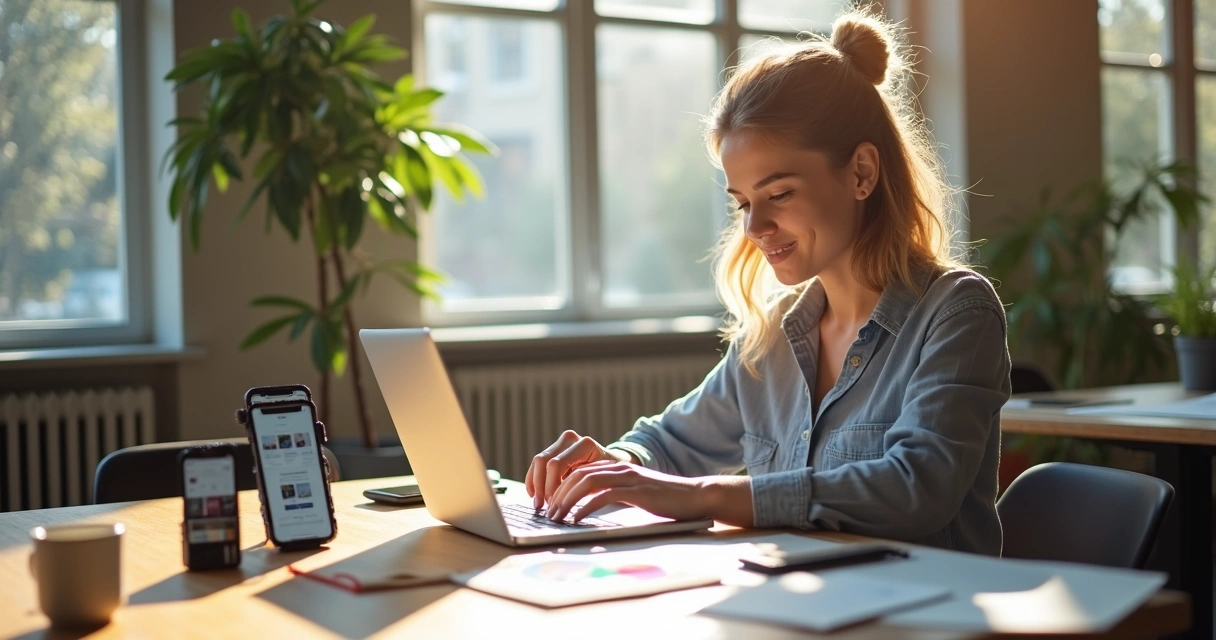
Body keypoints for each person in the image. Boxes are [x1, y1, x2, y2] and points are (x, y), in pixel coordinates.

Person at [525, 11, 1010, 556]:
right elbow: (668, 443)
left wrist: (705, 495)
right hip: (801, 606)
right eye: (743, 203)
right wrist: (614, 465)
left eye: (778, 194)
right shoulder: (777, 332)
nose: (754, 229)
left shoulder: (957, 312)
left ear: (861, 174)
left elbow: (915, 488)